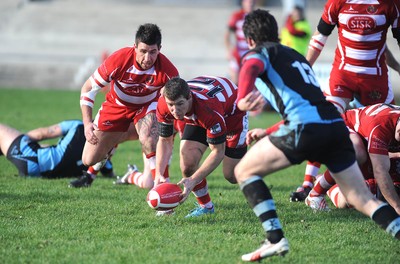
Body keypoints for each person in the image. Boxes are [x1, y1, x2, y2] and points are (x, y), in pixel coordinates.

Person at [233, 9, 400, 262]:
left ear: (251, 40)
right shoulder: (295, 56)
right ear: (276, 34)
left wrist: (242, 97)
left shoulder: (258, 53)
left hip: (307, 128)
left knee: (244, 171)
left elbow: (253, 63)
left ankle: (275, 238)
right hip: (335, 126)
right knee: (362, 199)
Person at [76, 23, 179, 188]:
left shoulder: (168, 71)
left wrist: (172, 128)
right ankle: (95, 169)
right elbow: (88, 89)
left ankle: (161, 188)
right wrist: (87, 123)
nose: (147, 58)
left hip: (146, 107)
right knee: (88, 159)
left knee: (148, 138)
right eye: (143, 51)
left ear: (160, 48)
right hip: (116, 106)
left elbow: (176, 101)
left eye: (153, 52)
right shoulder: (119, 60)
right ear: (135, 47)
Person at [155, 76, 248, 217]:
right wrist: (159, 174)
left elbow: (218, 152)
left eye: (180, 104)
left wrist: (193, 180)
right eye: (171, 105)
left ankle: (258, 163)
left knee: (232, 175)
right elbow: (165, 140)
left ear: (189, 97)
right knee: (187, 165)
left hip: (232, 117)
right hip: (201, 114)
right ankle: (206, 207)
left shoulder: (209, 111)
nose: (175, 110)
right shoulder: (163, 103)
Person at [307, 0, 400, 114]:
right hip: (343, 75)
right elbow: (320, 36)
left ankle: (355, 111)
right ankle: (353, 112)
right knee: (329, 117)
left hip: (375, 78)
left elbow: (379, 43)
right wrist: (306, 67)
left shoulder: (391, 3)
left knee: (388, 123)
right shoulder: (337, 2)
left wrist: (397, 66)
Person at [305, 103, 400, 214]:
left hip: (370, 145)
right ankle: (316, 193)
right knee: (357, 154)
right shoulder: (381, 125)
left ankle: (328, 181)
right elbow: (380, 171)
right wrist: (397, 207)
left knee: (349, 201)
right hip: (345, 125)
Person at [0, 120, 113, 179]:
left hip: (29, 157)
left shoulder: (78, 126)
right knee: (47, 147)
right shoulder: (101, 153)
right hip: (40, 172)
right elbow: (109, 173)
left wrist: (21, 140)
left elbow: (41, 134)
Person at [224, 0, 256, 85]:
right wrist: (228, 51)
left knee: (252, 81)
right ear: (243, 3)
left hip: (252, 52)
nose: (250, 4)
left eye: (252, 2)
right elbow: (227, 35)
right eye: (248, 2)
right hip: (238, 52)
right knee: (235, 81)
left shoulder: (257, 17)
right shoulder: (237, 16)